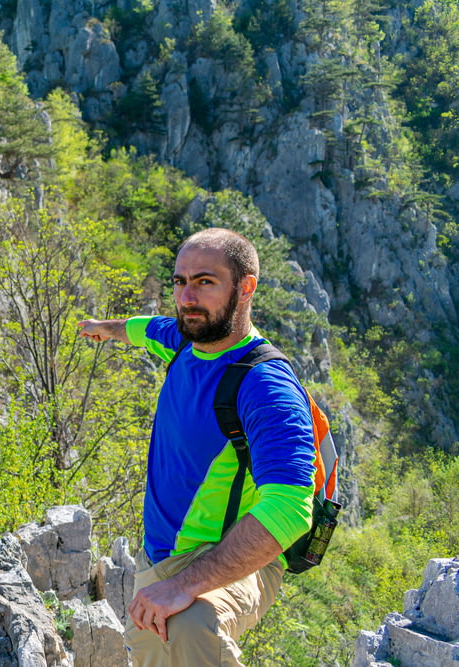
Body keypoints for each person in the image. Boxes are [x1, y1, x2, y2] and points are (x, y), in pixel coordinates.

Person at [77, 227, 316, 666]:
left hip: (225, 558)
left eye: (205, 282)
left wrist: (186, 585)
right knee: (151, 647)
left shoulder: (266, 386)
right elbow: (145, 328)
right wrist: (103, 329)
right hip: (158, 559)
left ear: (245, 288)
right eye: (179, 281)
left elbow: (290, 508)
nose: (187, 297)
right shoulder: (185, 341)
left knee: (190, 625)